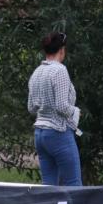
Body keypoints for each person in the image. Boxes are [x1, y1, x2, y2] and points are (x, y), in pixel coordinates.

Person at [28, 32, 83, 186]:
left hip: (40, 134)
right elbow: (61, 106)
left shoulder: (37, 72)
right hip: (58, 132)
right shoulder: (60, 70)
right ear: (62, 50)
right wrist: (76, 111)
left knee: (48, 186)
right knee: (73, 184)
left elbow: (31, 108)